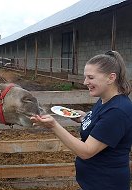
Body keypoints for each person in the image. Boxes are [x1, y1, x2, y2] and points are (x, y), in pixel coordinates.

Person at [31, 50, 132, 190]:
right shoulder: (105, 100)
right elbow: (100, 122)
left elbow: (86, 151)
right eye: (85, 77)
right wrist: (84, 117)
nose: (85, 82)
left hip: (105, 183)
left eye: (90, 77)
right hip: (94, 180)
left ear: (111, 78)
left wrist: (54, 126)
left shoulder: (117, 111)